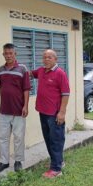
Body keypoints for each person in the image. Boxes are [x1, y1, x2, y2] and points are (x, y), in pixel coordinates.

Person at [0, 43, 30, 172]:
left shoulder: (22, 69)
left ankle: (18, 161)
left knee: (19, 138)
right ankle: (4, 162)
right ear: (3, 54)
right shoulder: (0, 70)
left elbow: (26, 89)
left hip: (19, 111)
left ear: (15, 54)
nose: (8, 55)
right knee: (2, 138)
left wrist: (26, 106)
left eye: (11, 53)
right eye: (6, 53)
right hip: (4, 111)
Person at [31, 49, 70, 178]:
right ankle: (59, 162)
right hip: (43, 112)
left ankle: (56, 169)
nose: (46, 59)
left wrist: (62, 112)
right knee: (48, 139)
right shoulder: (41, 71)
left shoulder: (60, 73)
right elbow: (31, 74)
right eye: (44, 57)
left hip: (55, 114)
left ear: (55, 59)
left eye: (49, 57)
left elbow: (65, 94)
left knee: (56, 140)